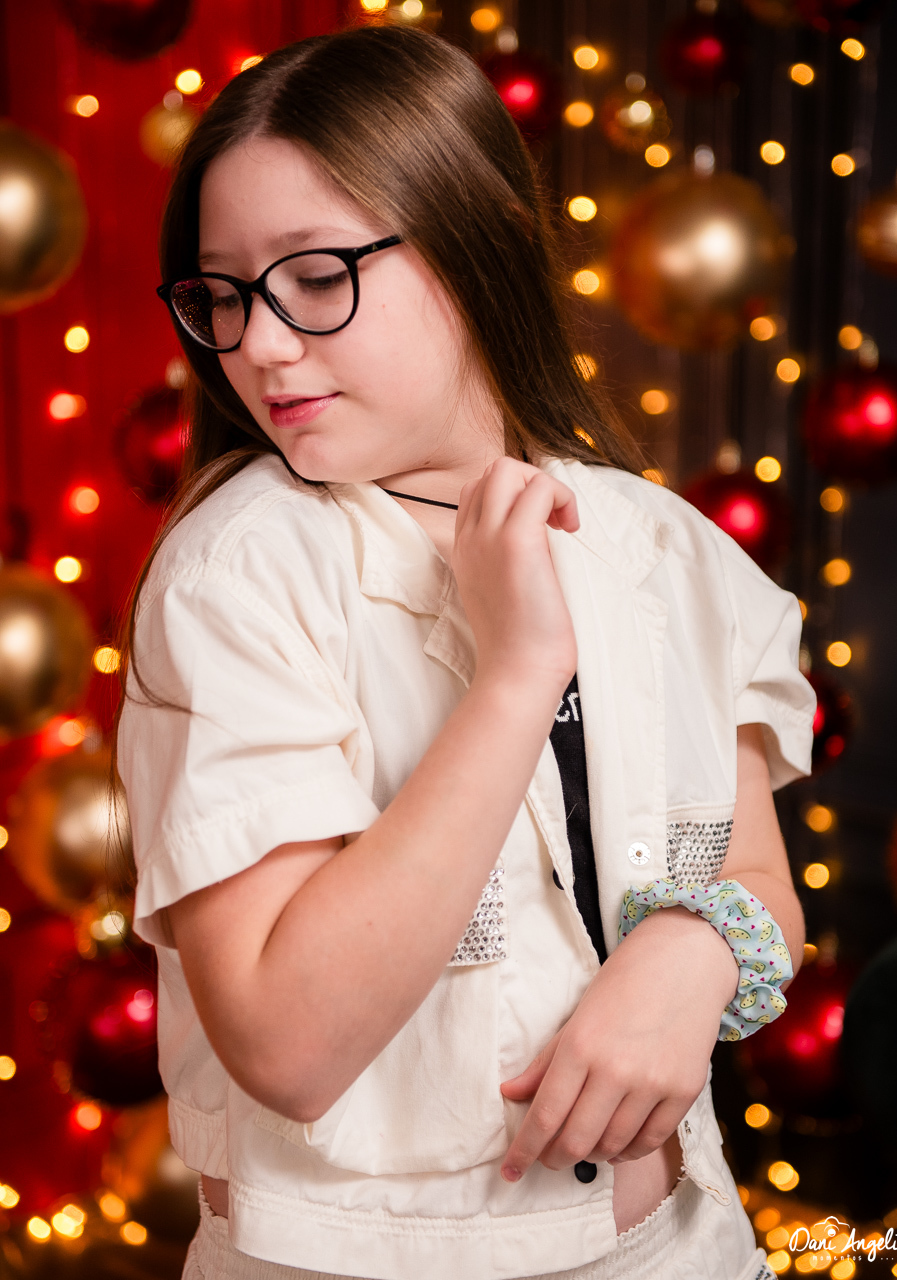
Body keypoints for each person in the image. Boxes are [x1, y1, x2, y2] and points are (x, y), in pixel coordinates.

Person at [114, 23, 815, 1280]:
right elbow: (286, 1038)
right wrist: (515, 673)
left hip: (690, 1246)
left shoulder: (668, 550)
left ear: (473, 235)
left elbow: (753, 872)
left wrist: (694, 949)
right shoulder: (242, 573)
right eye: (222, 294)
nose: (259, 344)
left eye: (314, 276)